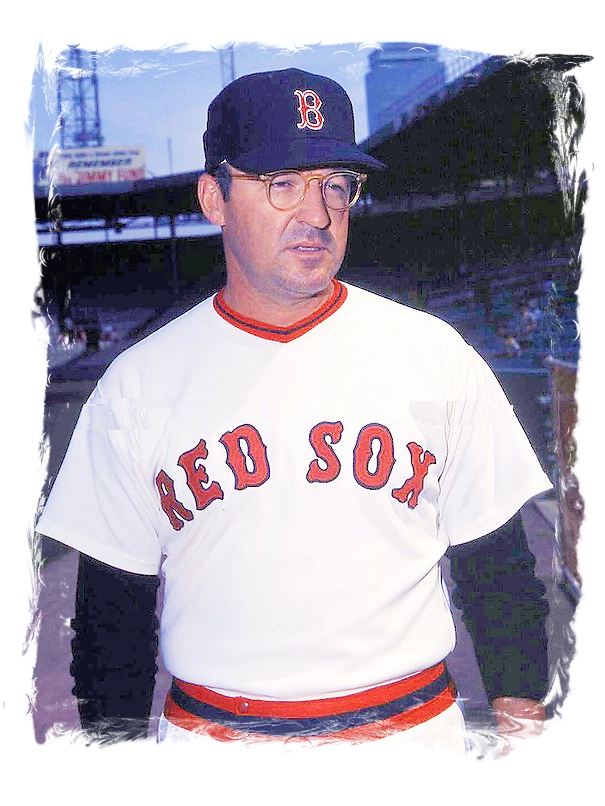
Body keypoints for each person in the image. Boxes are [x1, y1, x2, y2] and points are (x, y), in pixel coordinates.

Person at [36, 68, 551, 752]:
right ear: (214, 199)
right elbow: (111, 631)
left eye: (336, 185)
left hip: (411, 744)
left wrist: (526, 753)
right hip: (215, 752)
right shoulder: (135, 385)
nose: (317, 213)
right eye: (282, 183)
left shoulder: (435, 354)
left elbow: (500, 577)